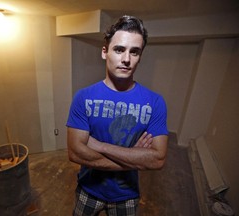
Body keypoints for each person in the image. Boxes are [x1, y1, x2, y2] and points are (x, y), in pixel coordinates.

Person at [66, 15, 168, 216]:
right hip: (89, 189)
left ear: (140, 56)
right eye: (119, 49)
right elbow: (75, 153)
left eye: (135, 52)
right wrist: (135, 158)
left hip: (126, 196)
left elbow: (157, 160)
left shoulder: (155, 102)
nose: (126, 59)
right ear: (105, 52)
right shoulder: (84, 97)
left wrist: (99, 145)